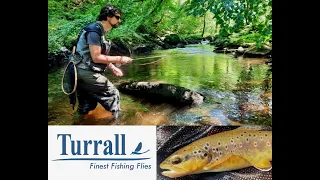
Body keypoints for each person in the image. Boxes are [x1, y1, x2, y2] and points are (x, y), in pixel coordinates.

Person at [71, 4, 132, 122]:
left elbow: (94, 55)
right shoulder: (95, 31)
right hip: (86, 72)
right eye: (117, 17)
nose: (120, 20)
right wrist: (120, 58)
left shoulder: (98, 31)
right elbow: (96, 57)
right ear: (108, 17)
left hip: (79, 73)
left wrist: (112, 67)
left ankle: (77, 126)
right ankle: (118, 125)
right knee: (113, 94)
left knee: (87, 106)